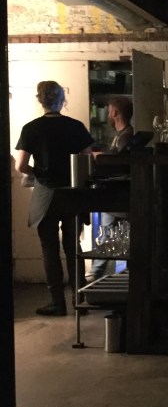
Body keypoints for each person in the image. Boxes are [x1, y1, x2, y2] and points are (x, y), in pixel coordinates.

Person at [15, 81, 95, 316]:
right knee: (74, 248)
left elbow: (21, 166)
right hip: (72, 194)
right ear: (62, 100)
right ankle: (80, 301)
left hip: (46, 195)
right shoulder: (76, 127)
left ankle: (57, 303)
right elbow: (87, 160)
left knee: (49, 250)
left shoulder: (31, 128)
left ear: (40, 100)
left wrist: (39, 173)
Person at [89, 96, 134, 282]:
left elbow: (121, 164)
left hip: (119, 196)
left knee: (108, 236)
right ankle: (102, 274)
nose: (108, 114)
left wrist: (101, 158)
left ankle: (96, 275)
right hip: (116, 196)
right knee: (110, 236)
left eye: (109, 110)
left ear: (115, 112)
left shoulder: (125, 137)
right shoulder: (123, 135)